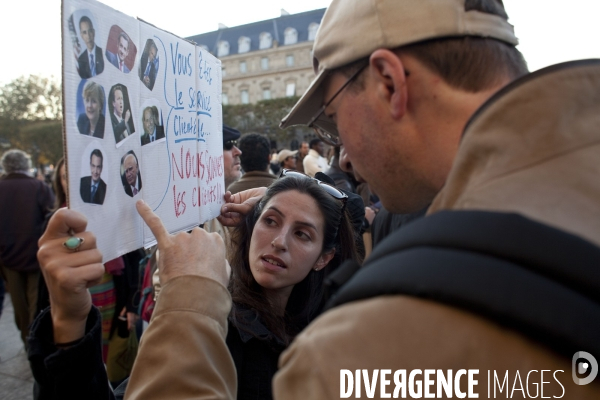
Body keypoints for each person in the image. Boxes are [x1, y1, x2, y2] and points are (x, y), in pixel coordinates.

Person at [104, 0, 600, 398]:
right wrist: (294, 201)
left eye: (332, 120)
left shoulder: (360, 347)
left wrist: (188, 302)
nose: (342, 158)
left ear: (389, 83)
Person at [29, 172, 360, 400]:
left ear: (324, 257)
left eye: (302, 234)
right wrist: (68, 324)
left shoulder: (335, 327)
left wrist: (288, 194)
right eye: (270, 221)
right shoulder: (214, 324)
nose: (279, 242)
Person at [0, 149, 54, 347]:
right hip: (36, 255)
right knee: (35, 300)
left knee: (18, 303)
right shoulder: (39, 187)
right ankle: (34, 338)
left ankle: (26, 336)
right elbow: (50, 219)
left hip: (7, 257)